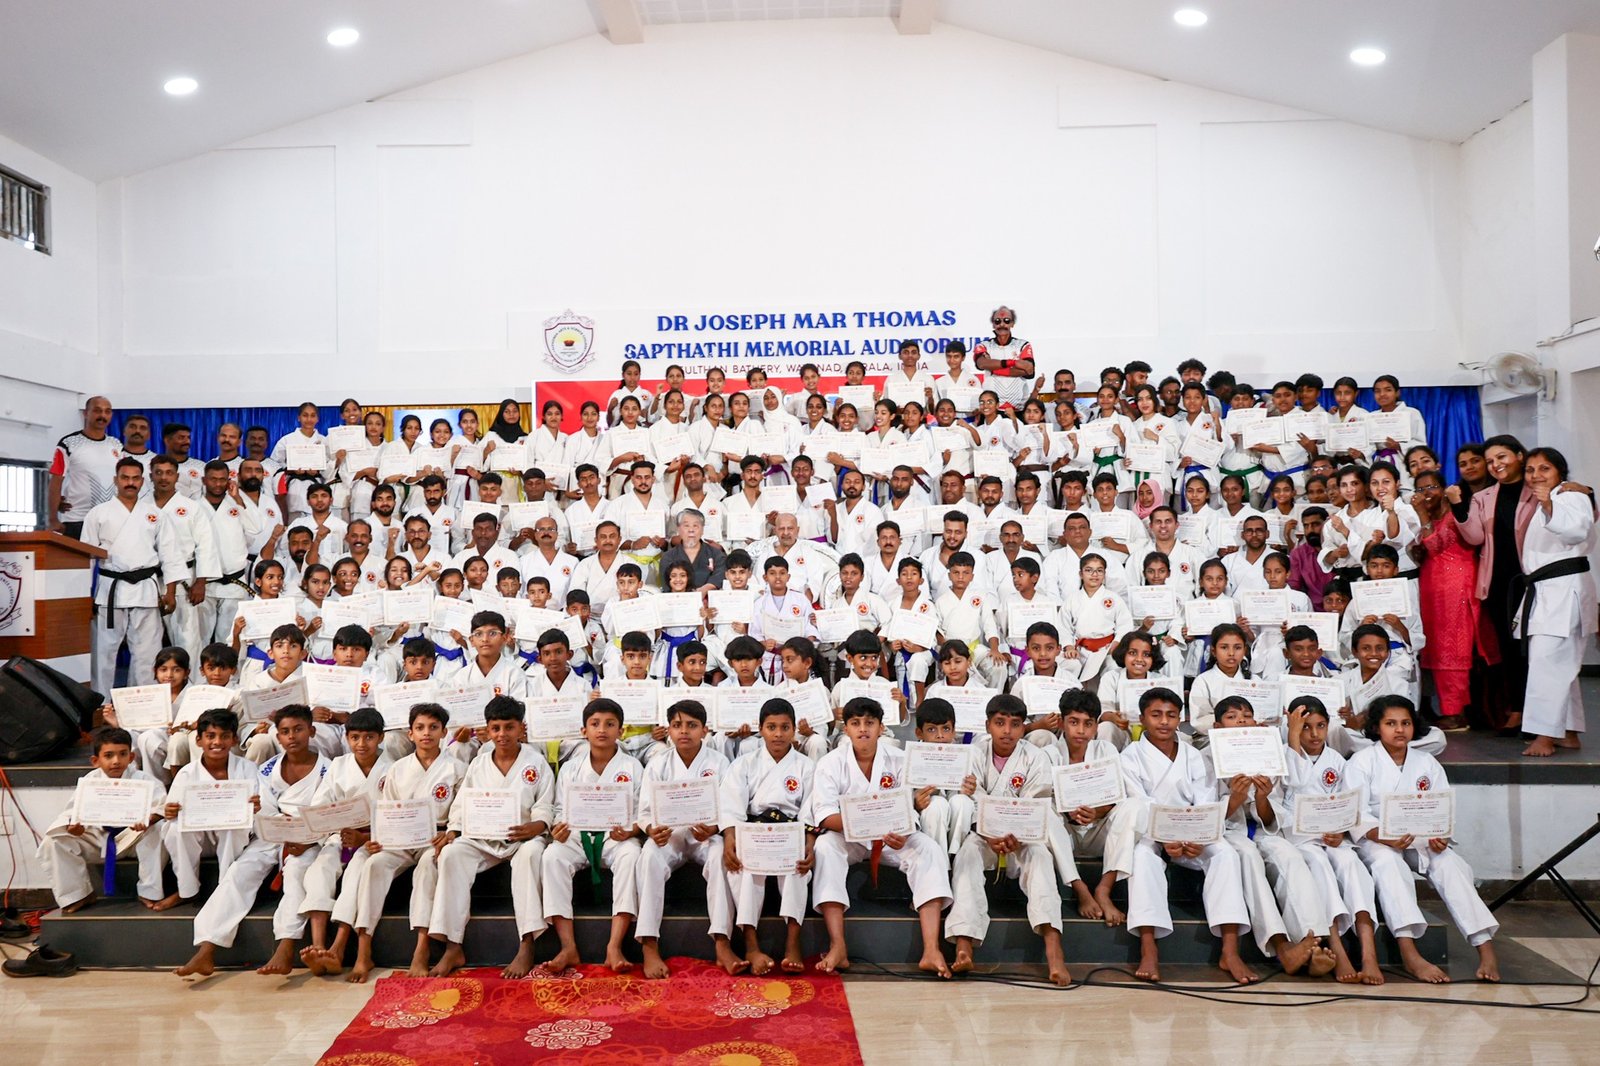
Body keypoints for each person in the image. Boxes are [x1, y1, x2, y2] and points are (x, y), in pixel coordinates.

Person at [1345, 695, 1500, 982]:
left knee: (1451, 865)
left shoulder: (1426, 762)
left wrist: (1440, 835)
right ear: (1377, 728)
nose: (1399, 730)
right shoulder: (1361, 761)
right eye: (1391, 723)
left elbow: (1441, 808)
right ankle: (1409, 953)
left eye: (1405, 723)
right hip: (1377, 839)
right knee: (1389, 865)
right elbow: (1355, 813)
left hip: (1420, 838)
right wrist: (1385, 837)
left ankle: (1485, 948)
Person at [177, 704, 328, 978]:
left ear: (311, 731)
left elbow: (326, 813)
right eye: (284, 731)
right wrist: (260, 813)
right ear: (277, 736)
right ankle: (207, 948)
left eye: (298, 729)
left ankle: (285, 945)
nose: (291, 737)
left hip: (310, 840)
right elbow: (265, 812)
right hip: (269, 837)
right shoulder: (267, 769)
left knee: (296, 874)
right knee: (239, 873)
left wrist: (307, 838)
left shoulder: (328, 770)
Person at [809, 696, 954, 978]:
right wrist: (868, 824)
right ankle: (838, 945)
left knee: (930, 850)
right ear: (845, 729)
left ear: (881, 727)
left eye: (870, 723)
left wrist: (902, 830)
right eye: (855, 723)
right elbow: (825, 817)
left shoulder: (900, 759)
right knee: (825, 847)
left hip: (890, 837)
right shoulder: (830, 763)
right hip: (849, 837)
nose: (863, 729)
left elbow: (908, 806)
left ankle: (931, 949)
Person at [1120, 687, 1256, 984]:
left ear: (1180, 719)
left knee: (1225, 853)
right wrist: (1164, 837)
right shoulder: (1130, 756)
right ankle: (1148, 947)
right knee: (1142, 857)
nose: (1164, 722)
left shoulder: (1193, 756)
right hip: (1153, 833)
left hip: (1194, 831)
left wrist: (1197, 835)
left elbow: (1206, 801)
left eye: (1171, 715)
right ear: (1142, 718)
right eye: (1156, 715)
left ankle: (1230, 950)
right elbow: (1138, 804)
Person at [947, 693, 1072, 985]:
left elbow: (1035, 803)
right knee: (967, 855)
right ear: (987, 724)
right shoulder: (974, 753)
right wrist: (988, 833)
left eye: (1015, 724)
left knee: (1041, 857)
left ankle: (1054, 951)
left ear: (1023, 727)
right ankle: (964, 944)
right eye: (1000, 723)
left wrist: (1017, 832)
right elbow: (969, 798)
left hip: (1023, 838)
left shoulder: (1035, 757)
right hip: (984, 836)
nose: (1007, 731)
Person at [425, 695, 555, 979]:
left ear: (522, 728)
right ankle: (453, 945)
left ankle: (527, 943)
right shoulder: (479, 763)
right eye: (495, 728)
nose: (502, 734)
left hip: (522, 838)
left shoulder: (536, 762)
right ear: (487, 729)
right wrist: (453, 831)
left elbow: (545, 803)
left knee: (532, 855)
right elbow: (461, 804)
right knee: (451, 854)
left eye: (509, 727)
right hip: (483, 837)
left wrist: (538, 825)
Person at [1279, 697, 1385, 985]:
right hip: (1302, 840)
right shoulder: (1282, 757)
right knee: (1319, 866)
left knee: (1352, 865)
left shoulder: (1337, 761)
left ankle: (1369, 953)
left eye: (1320, 726)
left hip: (1335, 838)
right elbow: (1292, 786)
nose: (1314, 735)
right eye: (1305, 728)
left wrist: (1341, 828)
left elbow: (1352, 804)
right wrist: (1292, 738)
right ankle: (1337, 947)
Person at [634, 698, 742, 978]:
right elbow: (643, 810)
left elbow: (730, 804)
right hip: (668, 835)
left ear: (705, 730)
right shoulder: (658, 763)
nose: (684, 731)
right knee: (647, 857)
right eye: (677, 725)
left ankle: (722, 941)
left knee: (719, 854)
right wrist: (649, 829)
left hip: (704, 833)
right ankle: (649, 944)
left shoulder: (719, 762)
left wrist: (716, 826)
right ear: (668, 730)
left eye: (692, 725)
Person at [541, 699, 645, 972]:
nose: (602, 730)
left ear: (620, 731)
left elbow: (642, 811)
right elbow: (560, 808)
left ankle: (614, 945)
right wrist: (559, 827)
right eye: (595, 724)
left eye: (610, 724)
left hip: (617, 837)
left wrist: (632, 829)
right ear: (583, 730)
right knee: (552, 856)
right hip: (577, 836)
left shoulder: (633, 767)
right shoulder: (571, 768)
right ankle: (568, 946)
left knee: (632, 855)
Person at [297, 708, 392, 977]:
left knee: (355, 877)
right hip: (339, 834)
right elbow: (320, 806)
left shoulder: (393, 767)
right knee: (319, 870)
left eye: (369, 737)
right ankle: (317, 945)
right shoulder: (338, 765)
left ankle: (338, 944)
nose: (362, 744)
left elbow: (396, 812)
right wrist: (337, 826)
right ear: (347, 738)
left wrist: (365, 836)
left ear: (381, 738)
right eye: (355, 737)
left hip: (373, 839)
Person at [81, 456, 185, 695]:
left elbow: (170, 554)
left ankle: (142, 704)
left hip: (146, 591)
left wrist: (170, 591)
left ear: (143, 481)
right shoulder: (99, 513)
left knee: (147, 655)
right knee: (103, 654)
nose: (130, 482)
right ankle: (101, 705)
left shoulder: (155, 514)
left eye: (135, 478)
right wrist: (85, 596)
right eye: (125, 478)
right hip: (110, 591)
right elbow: (85, 558)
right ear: (115, 480)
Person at [1514, 447, 1593, 757]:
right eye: (1531, 470)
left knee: (1549, 664)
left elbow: (1576, 531)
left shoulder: (1571, 496)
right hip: (1548, 589)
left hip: (1563, 589)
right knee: (1559, 665)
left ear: (1560, 471)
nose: (1536, 475)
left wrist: (1549, 503)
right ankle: (1569, 732)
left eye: (1544, 469)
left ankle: (1545, 736)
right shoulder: (1550, 499)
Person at [37, 726, 168, 913]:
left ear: (131, 758)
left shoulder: (145, 780)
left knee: (160, 828)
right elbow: (71, 813)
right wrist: (75, 827)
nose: (116, 761)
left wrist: (149, 819)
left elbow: (161, 807)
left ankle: (149, 890)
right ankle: (79, 895)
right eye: (108, 755)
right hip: (100, 839)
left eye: (122, 754)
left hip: (134, 838)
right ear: (95, 760)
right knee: (54, 840)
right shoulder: (89, 782)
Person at [1408, 470, 1480, 732]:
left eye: (1431, 487)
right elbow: (1422, 550)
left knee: (1453, 650)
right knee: (1437, 649)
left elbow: (1436, 545)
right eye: (1420, 489)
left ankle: (1455, 712)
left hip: (1456, 589)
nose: (1426, 494)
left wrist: (1422, 516)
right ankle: (1450, 709)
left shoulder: (1452, 516)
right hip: (1433, 589)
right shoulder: (1435, 518)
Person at [48, 395, 120, 539]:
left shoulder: (116, 444)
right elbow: (55, 482)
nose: (102, 415)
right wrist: (53, 519)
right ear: (86, 413)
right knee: (77, 562)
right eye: (97, 411)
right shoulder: (68, 443)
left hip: (110, 520)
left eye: (107, 411)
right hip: (77, 519)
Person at [972, 306, 1035, 410]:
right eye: (997, 321)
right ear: (993, 324)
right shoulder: (983, 345)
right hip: (992, 410)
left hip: (1019, 408)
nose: (1002, 324)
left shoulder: (1023, 345)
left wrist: (994, 368)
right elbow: (982, 364)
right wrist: (1013, 363)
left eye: (1006, 321)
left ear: (1012, 323)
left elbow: (1029, 371)